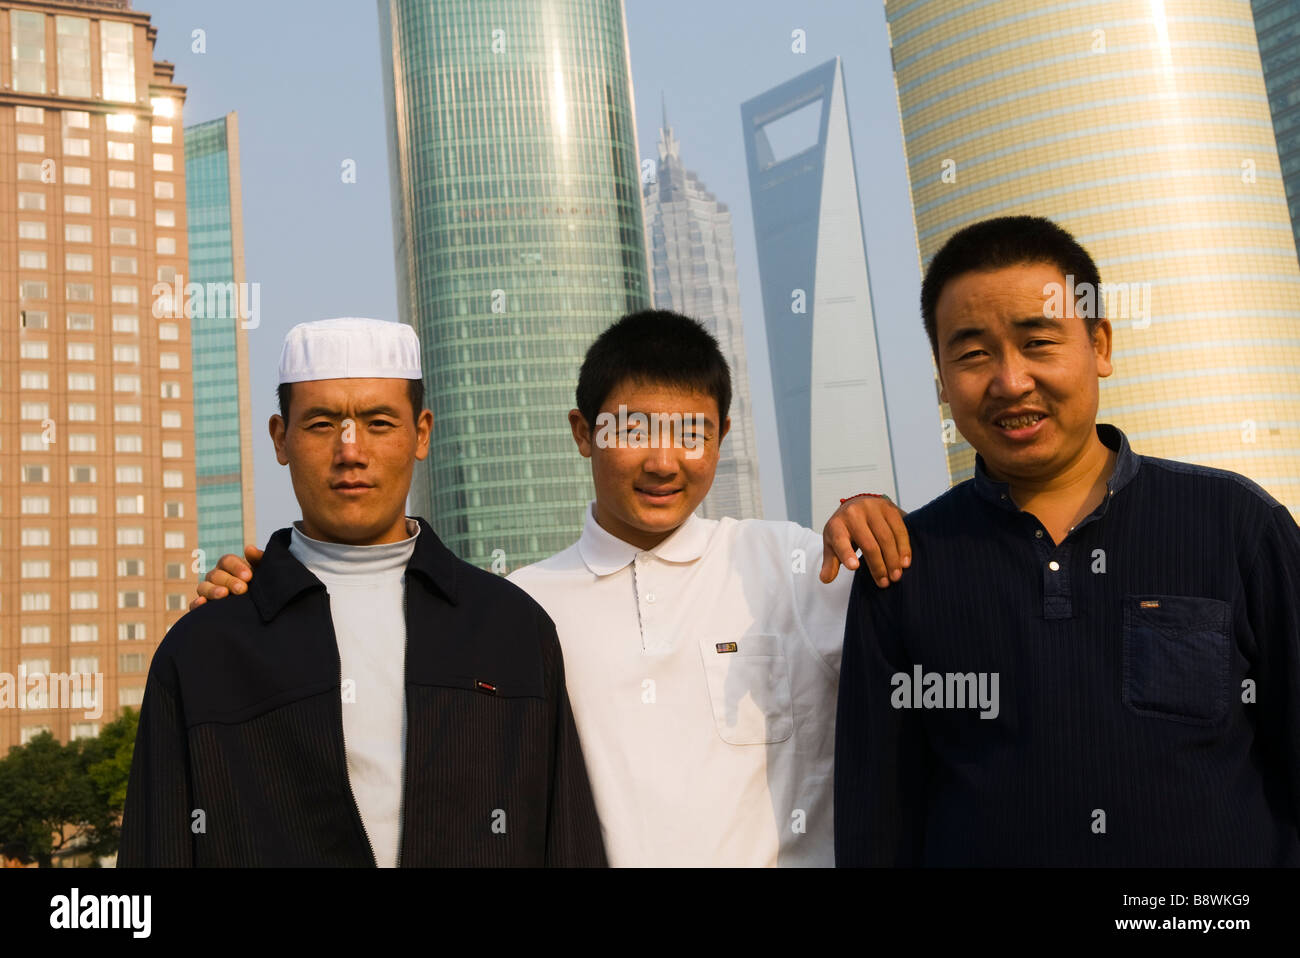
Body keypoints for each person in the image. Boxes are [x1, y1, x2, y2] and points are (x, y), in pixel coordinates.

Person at [193, 310, 911, 866]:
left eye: (692, 432)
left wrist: (881, 522)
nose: (663, 461)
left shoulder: (794, 566)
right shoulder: (513, 614)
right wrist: (267, 599)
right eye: (631, 429)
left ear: (722, 435)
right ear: (582, 432)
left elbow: (929, 679)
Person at [834, 215, 1300, 866]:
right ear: (941, 380)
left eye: (1038, 342)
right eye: (972, 354)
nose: (1011, 381)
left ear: (1100, 344)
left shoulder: (1237, 524)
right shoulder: (904, 562)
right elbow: (876, 814)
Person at [119, 317, 604, 867]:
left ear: (421, 433)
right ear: (280, 438)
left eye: (378, 422)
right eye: (322, 424)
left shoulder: (510, 628)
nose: (351, 451)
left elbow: (567, 840)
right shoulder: (207, 647)